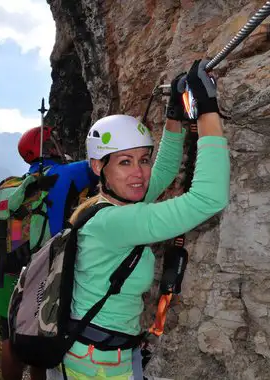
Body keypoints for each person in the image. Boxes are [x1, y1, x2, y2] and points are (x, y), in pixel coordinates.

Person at [45, 59, 230, 380]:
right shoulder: (115, 223)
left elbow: (165, 170)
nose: (139, 173)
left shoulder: (104, 204)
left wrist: (174, 111)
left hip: (99, 354)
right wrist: (207, 110)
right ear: (97, 168)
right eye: (125, 162)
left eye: (142, 159)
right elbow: (208, 198)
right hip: (97, 367)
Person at [0, 124, 100, 380]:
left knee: (10, 338)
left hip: (8, 268)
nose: (60, 144)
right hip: (43, 268)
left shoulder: (18, 187)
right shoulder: (69, 174)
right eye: (54, 141)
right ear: (48, 148)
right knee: (40, 335)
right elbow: (102, 166)